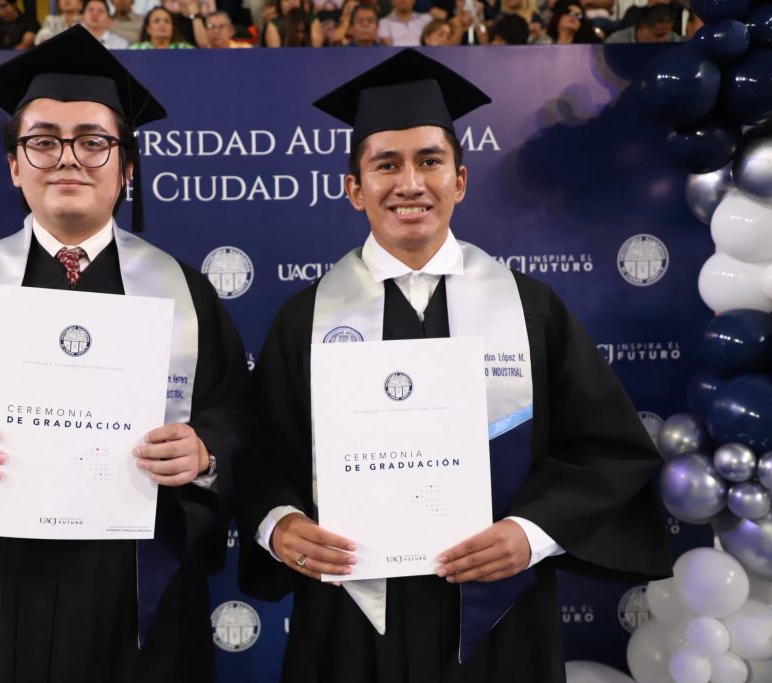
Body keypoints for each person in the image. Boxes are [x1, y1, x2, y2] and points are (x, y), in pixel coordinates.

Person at [236, 48, 672, 683]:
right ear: (355, 189)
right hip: (349, 624)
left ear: (459, 181)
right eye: (386, 164)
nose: (410, 183)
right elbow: (258, 455)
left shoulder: (528, 309)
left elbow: (608, 452)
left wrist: (532, 532)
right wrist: (279, 524)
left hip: (501, 621)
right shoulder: (306, 319)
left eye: (430, 161)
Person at [0, 25, 249, 683]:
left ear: (126, 167)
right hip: (0, 590)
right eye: (43, 142)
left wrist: (204, 455)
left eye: (93, 141)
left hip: (138, 593)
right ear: (14, 165)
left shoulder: (183, 294)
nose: (68, 159)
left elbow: (239, 417)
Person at [605, 3, 682, 42]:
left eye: (667, 33)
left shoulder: (673, 39)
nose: (664, 39)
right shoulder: (616, 42)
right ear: (642, 28)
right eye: (658, 35)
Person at [535, 0, 600, 42]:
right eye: (569, 12)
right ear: (558, 16)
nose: (574, 17)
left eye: (578, 16)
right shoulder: (543, 43)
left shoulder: (584, 51)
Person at [130, 6, 196, 46]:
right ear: (148, 28)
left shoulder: (186, 50)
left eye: (167, 21)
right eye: (156, 21)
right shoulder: (135, 50)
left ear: (172, 28)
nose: (162, 24)